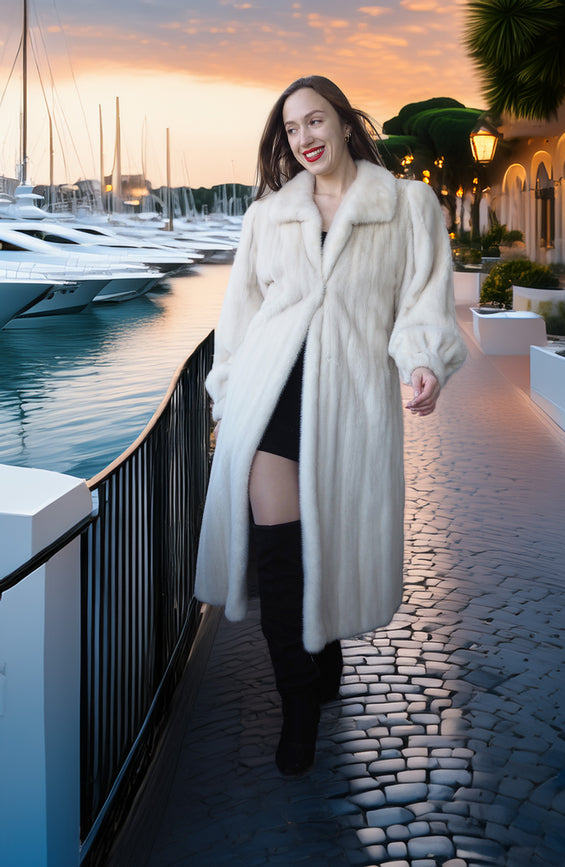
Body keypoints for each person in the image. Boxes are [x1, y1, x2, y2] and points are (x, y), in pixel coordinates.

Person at [195, 75, 467, 776]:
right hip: (268, 400)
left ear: (344, 123)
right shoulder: (269, 216)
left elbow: (422, 299)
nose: (304, 138)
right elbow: (239, 318)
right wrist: (226, 395)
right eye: (291, 129)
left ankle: (327, 647)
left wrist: (423, 361)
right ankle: (298, 704)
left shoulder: (406, 205)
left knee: (326, 539)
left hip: (350, 402)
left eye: (315, 121)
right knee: (279, 554)